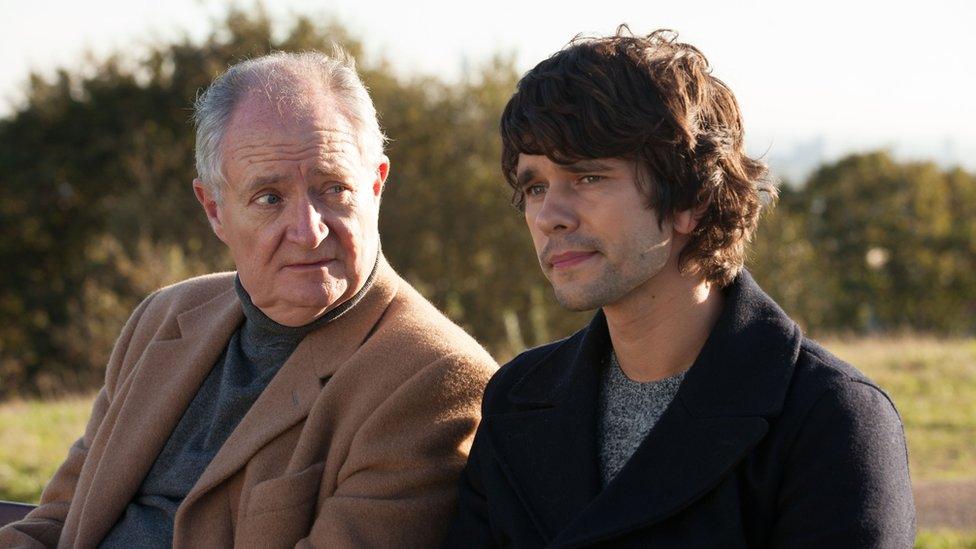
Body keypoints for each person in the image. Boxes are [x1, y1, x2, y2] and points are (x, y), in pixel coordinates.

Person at [0, 49, 496, 548]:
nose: (307, 230)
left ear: (375, 186)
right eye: (270, 198)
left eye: (333, 189)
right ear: (214, 210)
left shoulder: (434, 379)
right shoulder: (163, 317)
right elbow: (54, 522)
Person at [445, 28, 915, 547]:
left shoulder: (830, 418)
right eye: (535, 186)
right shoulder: (517, 398)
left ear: (691, 198)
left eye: (588, 178)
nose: (549, 216)